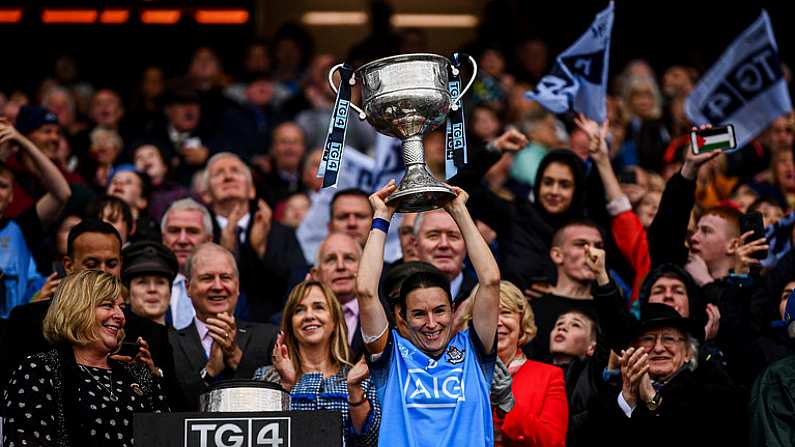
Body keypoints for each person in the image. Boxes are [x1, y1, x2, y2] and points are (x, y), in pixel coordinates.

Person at [356, 181, 501, 446]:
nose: (431, 323)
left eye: (439, 311)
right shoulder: (391, 357)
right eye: (419, 314)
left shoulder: (475, 351)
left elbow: (490, 281)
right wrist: (381, 217)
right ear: (404, 318)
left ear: (453, 309)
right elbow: (366, 292)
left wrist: (459, 211)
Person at [3, 269, 168, 447]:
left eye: (121, 308)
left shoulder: (138, 375)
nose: (120, 316)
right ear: (77, 308)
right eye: (107, 305)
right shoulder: (40, 370)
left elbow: (168, 437)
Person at [254, 280, 381, 446]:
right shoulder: (266, 376)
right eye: (299, 310)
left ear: (335, 320)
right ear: (290, 323)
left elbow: (373, 441)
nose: (309, 316)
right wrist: (286, 385)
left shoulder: (361, 378)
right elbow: (258, 437)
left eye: (319, 307)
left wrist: (354, 389)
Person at [609, 303, 747, 447]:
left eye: (669, 339)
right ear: (634, 349)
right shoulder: (611, 397)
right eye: (648, 339)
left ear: (688, 352)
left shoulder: (712, 394)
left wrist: (652, 399)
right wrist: (628, 400)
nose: (658, 348)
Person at [168, 242, 278, 410]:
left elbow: (274, 402)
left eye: (225, 278)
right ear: (188, 287)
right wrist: (209, 371)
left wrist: (235, 357)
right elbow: (170, 409)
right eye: (207, 278)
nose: (218, 286)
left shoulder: (268, 337)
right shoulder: (169, 344)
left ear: (238, 286)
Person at [202, 152, 307, 322]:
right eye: (219, 173)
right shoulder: (199, 233)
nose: (228, 177)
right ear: (206, 194)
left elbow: (297, 288)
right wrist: (226, 252)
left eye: (235, 171)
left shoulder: (281, 233)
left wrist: (261, 249)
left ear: (251, 190)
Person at [462, 281, 568, 447]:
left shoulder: (548, 376)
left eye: (506, 312)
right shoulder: (454, 372)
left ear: (522, 322)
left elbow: (554, 442)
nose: (497, 322)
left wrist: (509, 406)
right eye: (487, 313)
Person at [0, 117, 72, 317]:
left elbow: (62, 193)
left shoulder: (20, 228)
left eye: (3, 186)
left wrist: (22, 141)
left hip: (10, 335)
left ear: (12, 195)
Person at [528, 220, 604, 360]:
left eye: (598, 246)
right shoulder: (532, 309)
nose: (594, 253)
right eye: (581, 244)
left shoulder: (608, 311)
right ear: (557, 255)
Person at [311, 232, 366, 358]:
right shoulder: (292, 322)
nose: (340, 266)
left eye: (349, 258)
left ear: (364, 267)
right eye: (331, 260)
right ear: (316, 274)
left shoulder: (387, 316)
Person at [160, 198, 213, 329]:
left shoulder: (226, 289)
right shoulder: (145, 287)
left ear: (209, 239)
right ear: (163, 238)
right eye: (174, 231)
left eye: (192, 231)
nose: (182, 240)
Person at [413, 208, 478, 305]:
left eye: (453, 236)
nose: (444, 244)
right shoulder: (391, 294)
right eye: (433, 235)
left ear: (467, 246)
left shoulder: (482, 294)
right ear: (416, 246)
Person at [122, 241, 179, 325]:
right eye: (142, 282)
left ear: (170, 292)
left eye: (160, 283)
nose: (152, 289)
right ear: (128, 293)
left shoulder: (187, 338)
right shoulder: (113, 338)